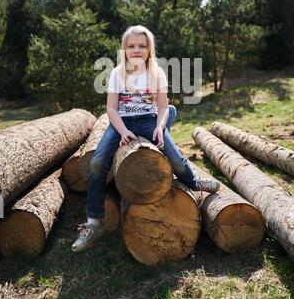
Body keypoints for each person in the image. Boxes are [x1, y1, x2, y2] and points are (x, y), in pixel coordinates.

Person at [72, 25, 220, 253]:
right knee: (97, 162)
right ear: (124, 49)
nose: (136, 50)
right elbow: (111, 109)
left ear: (149, 49)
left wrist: (160, 129)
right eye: (131, 46)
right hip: (121, 122)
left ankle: (193, 182)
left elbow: (163, 107)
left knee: (177, 160)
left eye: (142, 45)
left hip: (149, 120)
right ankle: (93, 222)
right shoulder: (117, 73)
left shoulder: (156, 72)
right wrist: (122, 131)